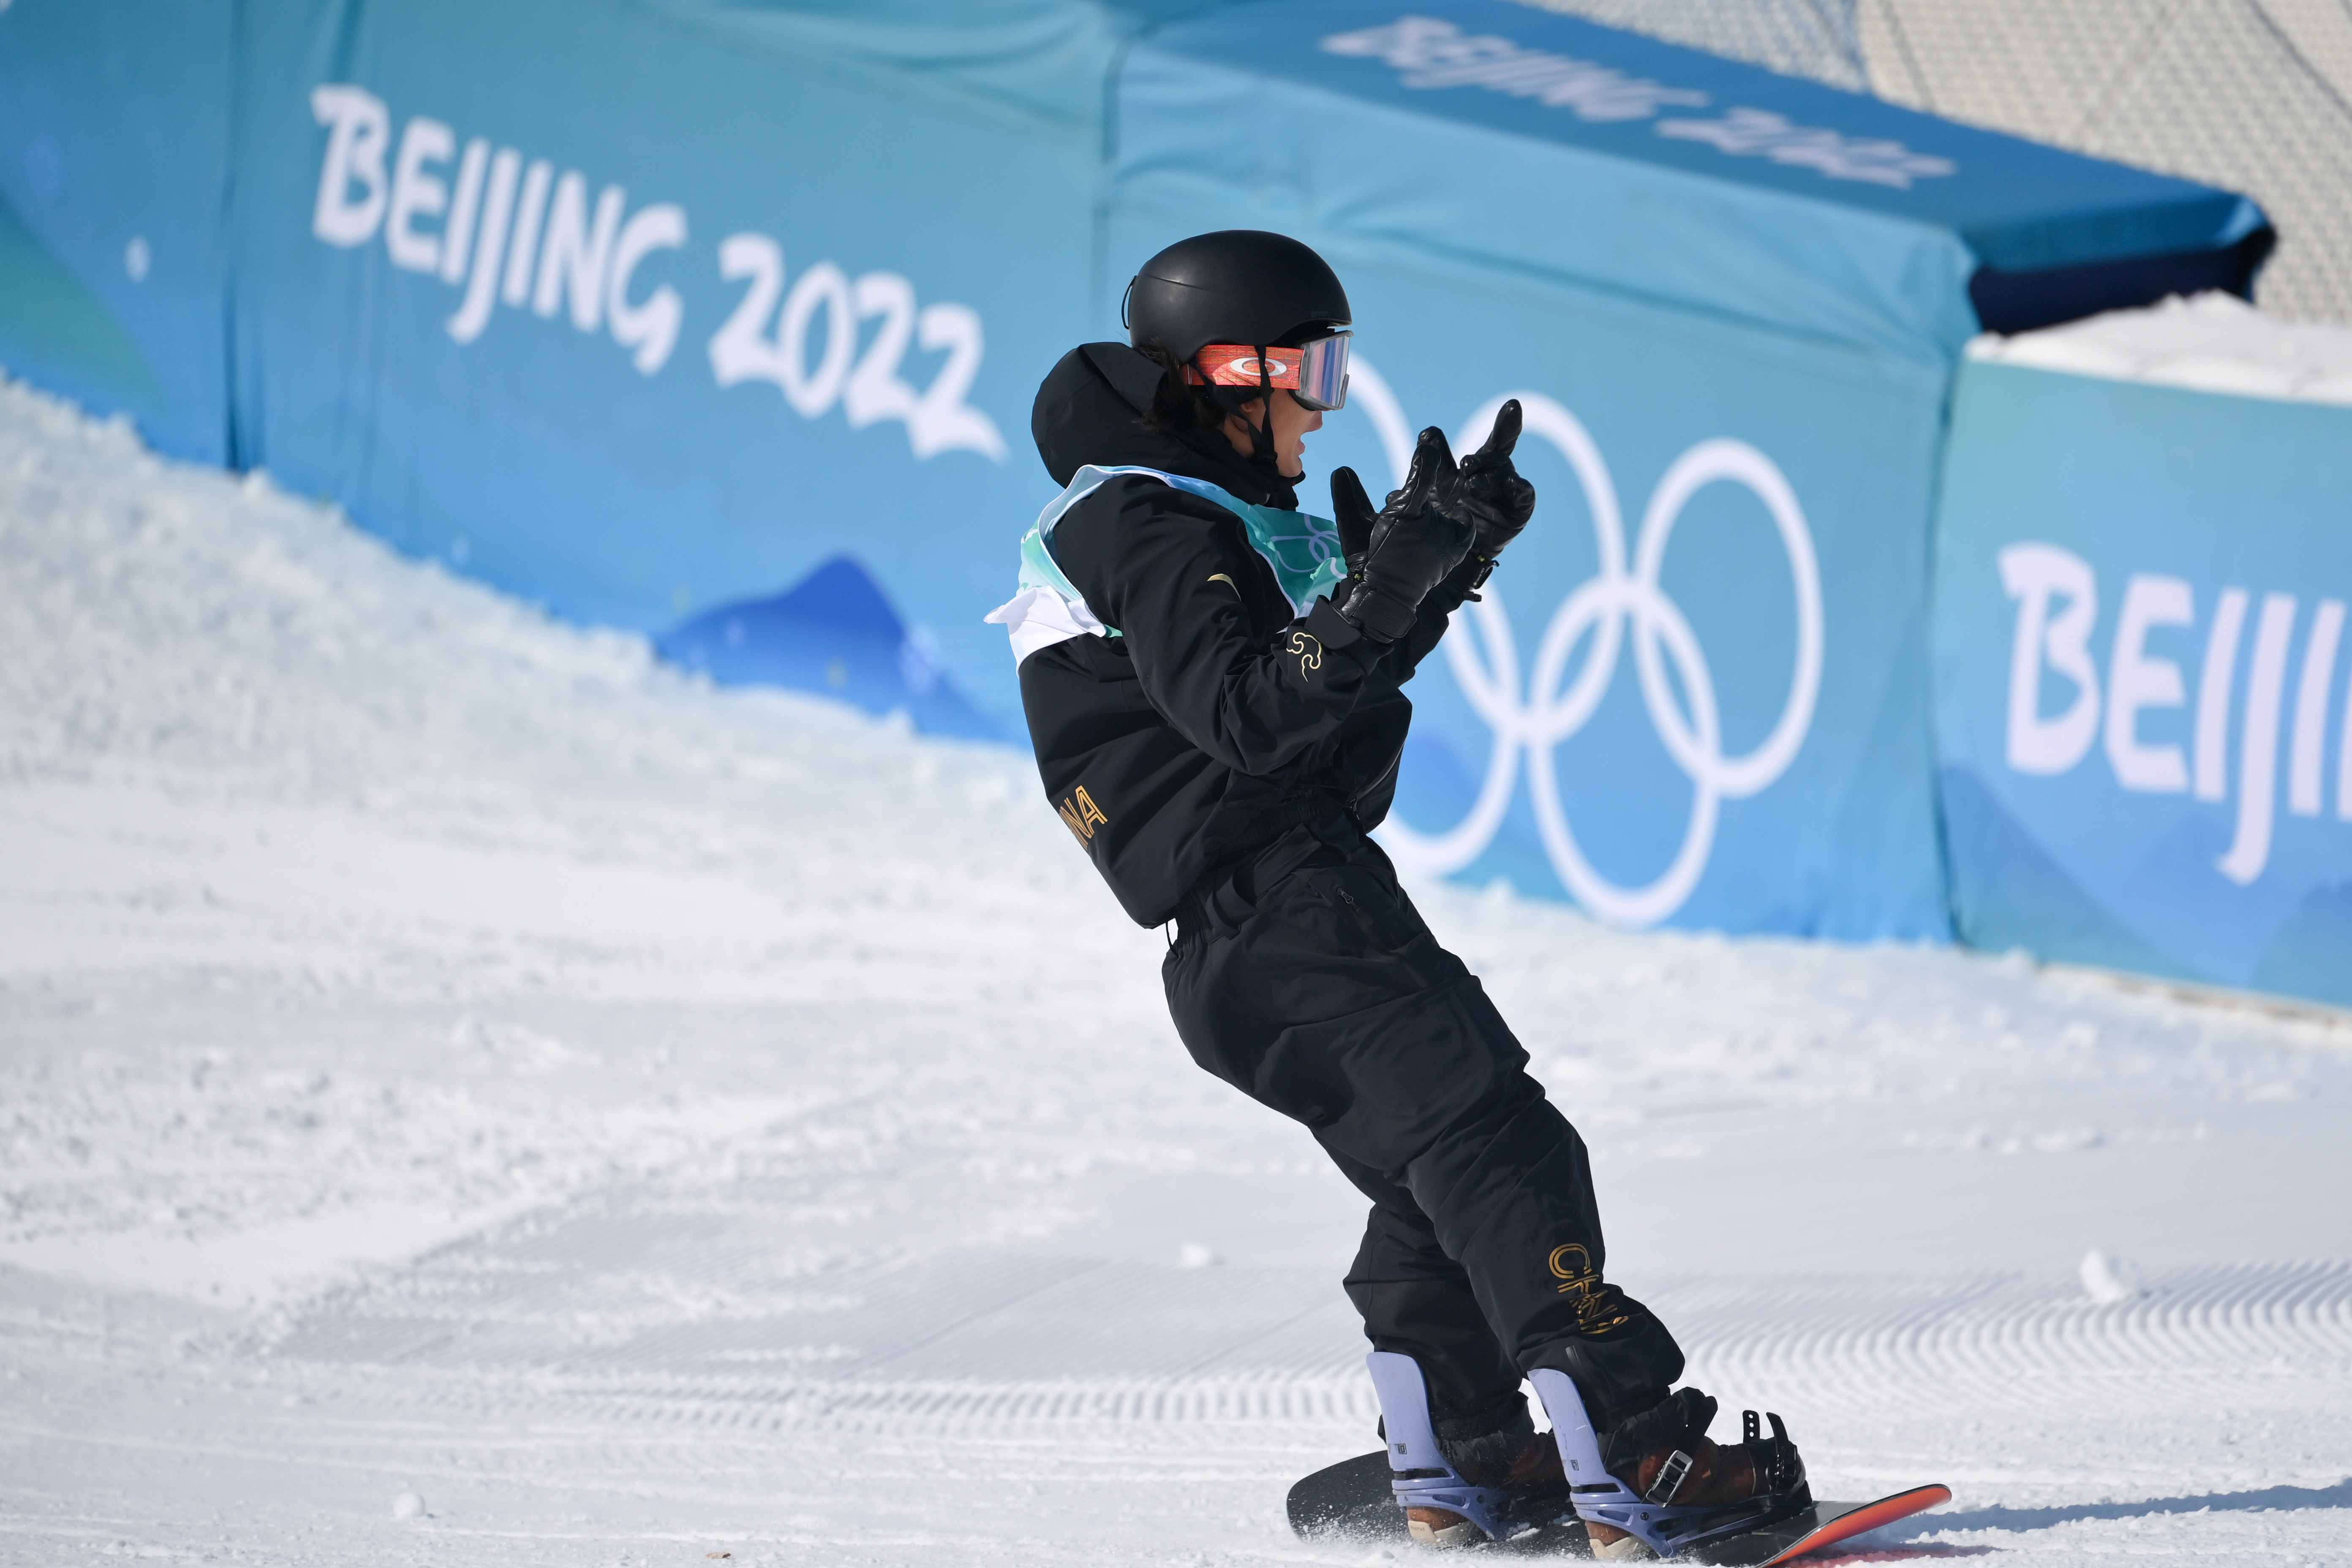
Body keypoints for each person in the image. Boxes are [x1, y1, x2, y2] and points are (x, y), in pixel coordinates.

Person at [988, 230, 1804, 1555]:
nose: (1324, 405)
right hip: (1288, 914)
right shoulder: (1149, 525)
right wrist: (1377, 595)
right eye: (1311, 371)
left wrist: (1439, 568)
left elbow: (1309, 706)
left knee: (1436, 1177)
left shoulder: (1170, 519)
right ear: (1231, 373)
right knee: (1503, 1147)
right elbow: (1251, 715)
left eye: (1337, 370)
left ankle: (1460, 1453)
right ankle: (1638, 1454)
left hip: (1255, 935)